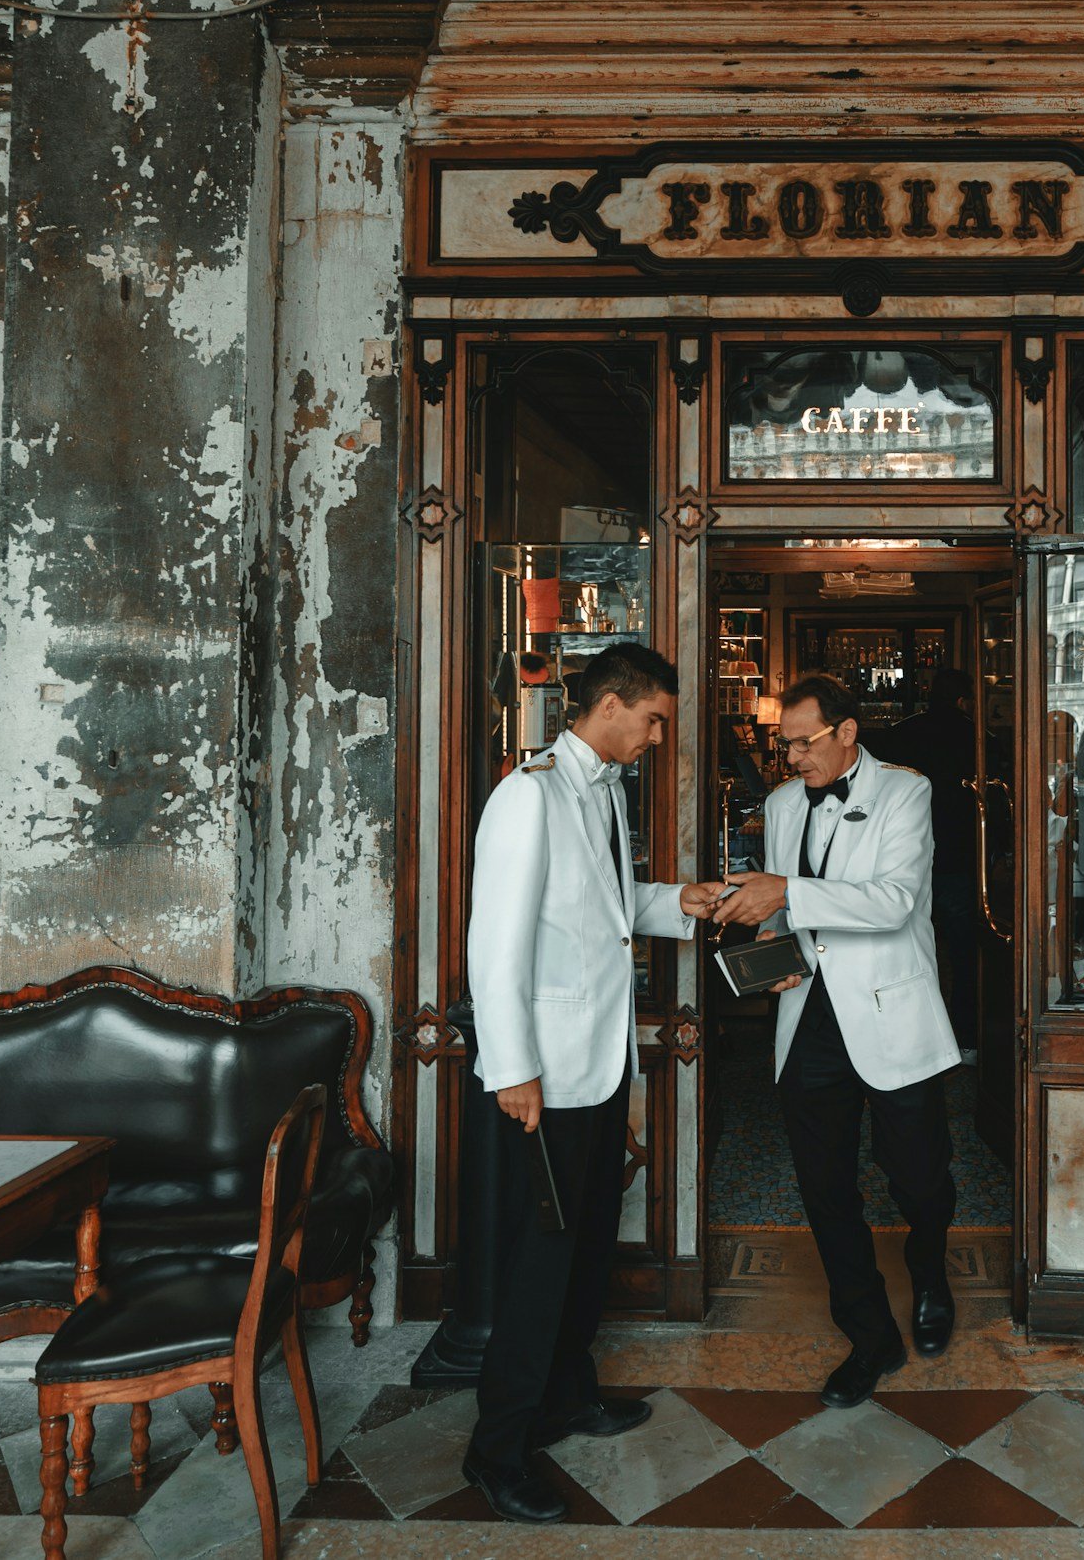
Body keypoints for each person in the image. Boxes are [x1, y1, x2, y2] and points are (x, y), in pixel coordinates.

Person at [453, 643, 722, 1524]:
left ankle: (568, 1397)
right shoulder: (527, 796)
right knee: (541, 1265)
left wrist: (676, 900)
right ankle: (496, 1449)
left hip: (603, 1063)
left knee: (588, 1247)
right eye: (651, 721)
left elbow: (605, 910)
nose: (654, 738)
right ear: (610, 705)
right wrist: (515, 1068)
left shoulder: (603, 791)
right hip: (546, 1073)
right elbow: (492, 949)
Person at [709, 673, 962, 1406]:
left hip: (890, 1013)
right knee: (824, 1190)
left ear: (847, 731)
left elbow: (893, 902)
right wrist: (774, 948)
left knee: (919, 1177)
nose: (789, 758)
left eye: (801, 742)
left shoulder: (906, 793)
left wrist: (784, 892)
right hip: (810, 1022)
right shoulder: (785, 804)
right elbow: (791, 917)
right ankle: (869, 1333)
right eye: (781, 743)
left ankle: (932, 1273)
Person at [874, 667, 980, 1050]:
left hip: (901, 860)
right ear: (963, 700)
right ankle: (964, 1038)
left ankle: (902, 1039)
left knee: (902, 951)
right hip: (959, 858)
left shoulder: (900, 734)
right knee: (964, 955)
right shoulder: (976, 737)